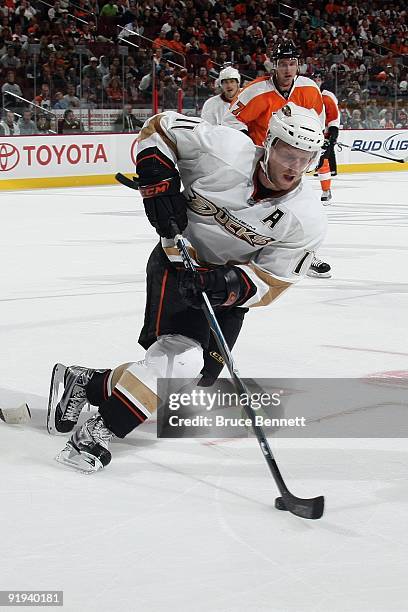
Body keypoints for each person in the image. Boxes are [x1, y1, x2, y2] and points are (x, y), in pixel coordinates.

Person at [48, 103, 327, 473]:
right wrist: (158, 182)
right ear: (269, 144)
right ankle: (96, 434)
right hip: (177, 263)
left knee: (197, 376)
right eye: (287, 153)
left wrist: (226, 283)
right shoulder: (223, 149)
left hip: (225, 288)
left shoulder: (306, 218)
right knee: (180, 360)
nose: (293, 166)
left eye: (304, 158)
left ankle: (85, 382)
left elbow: (273, 282)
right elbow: (160, 127)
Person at [222, 41, 330, 279]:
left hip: (293, 161)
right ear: (274, 66)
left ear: (298, 66)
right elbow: (230, 121)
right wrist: (248, 149)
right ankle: (238, 250)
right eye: (283, 64)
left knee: (301, 211)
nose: (288, 70)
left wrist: (320, 145)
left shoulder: (309, 89)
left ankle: (306, 256)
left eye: (292, 64)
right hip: (260, 163)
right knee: (253, 209)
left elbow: (317, 122)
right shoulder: (256, 90)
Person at [311, 71, 340, 206]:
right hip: (306, 134)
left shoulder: (327, 97)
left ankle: (326, 190)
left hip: (322, 136)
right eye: (314, 78)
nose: (316, 80)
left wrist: (333, 135)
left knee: (323, 163)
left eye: (318, 78)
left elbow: (333, 118)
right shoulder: (305, 95)